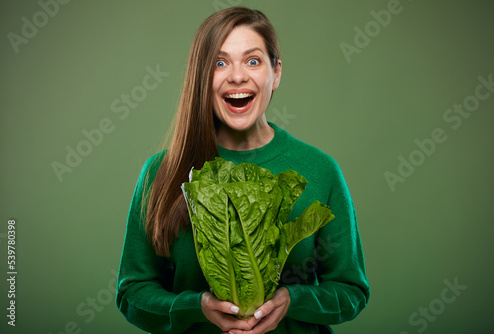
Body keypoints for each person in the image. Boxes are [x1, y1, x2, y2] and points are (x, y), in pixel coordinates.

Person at [116, 6, 369, 334]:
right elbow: (132, 294)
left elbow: (352, 293)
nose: (237, 76)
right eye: (219, 63)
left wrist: (293, 300)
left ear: (276, 73)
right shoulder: (160, 172)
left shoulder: (321, 170)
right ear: (201, 77)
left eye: (253, 60)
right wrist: (197, 307)